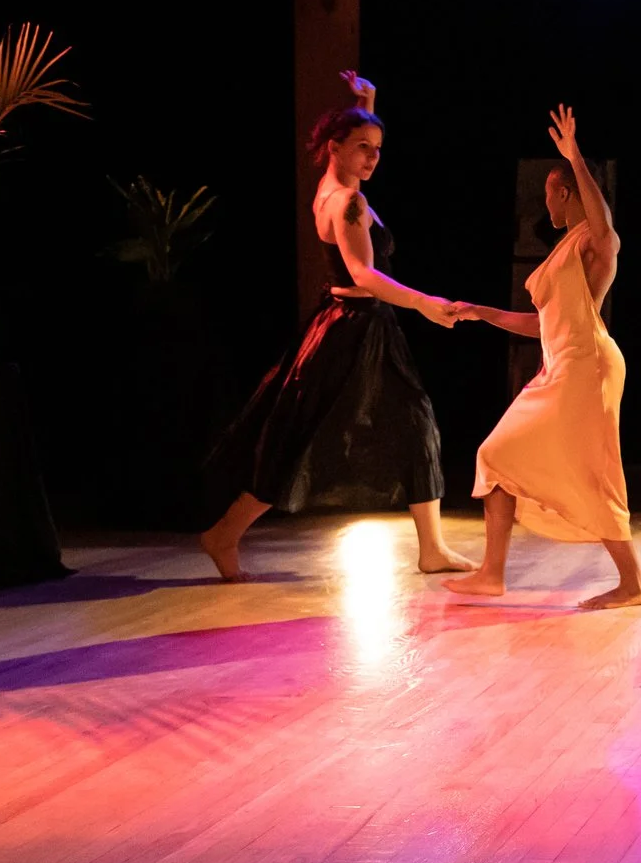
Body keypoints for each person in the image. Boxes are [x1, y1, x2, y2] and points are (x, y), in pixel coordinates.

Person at [200, 71, 471, 582]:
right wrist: (426, 303)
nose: (373, 158)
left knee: (415, 423)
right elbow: (364, 274)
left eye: (378, 149)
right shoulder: (349, 202)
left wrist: (365, 103)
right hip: (353, 330)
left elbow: (360, 258)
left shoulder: (331, 188)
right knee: (300, 438)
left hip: (356, 325)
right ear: (333, 147)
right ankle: (223, 534)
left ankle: (432, 547)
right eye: (363, 147)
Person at [444, 104, 641, 609]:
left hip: (587, 366)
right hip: (559, 367)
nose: (545, 206)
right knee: (496, 455)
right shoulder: (565, 250)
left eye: (549, 194)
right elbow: (542, 324)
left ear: (563, 191)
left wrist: (574, 154)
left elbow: (605, 230)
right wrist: (482, 312)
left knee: (592, 471)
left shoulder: (592, 243)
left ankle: (632, 584)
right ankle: (492, 573)